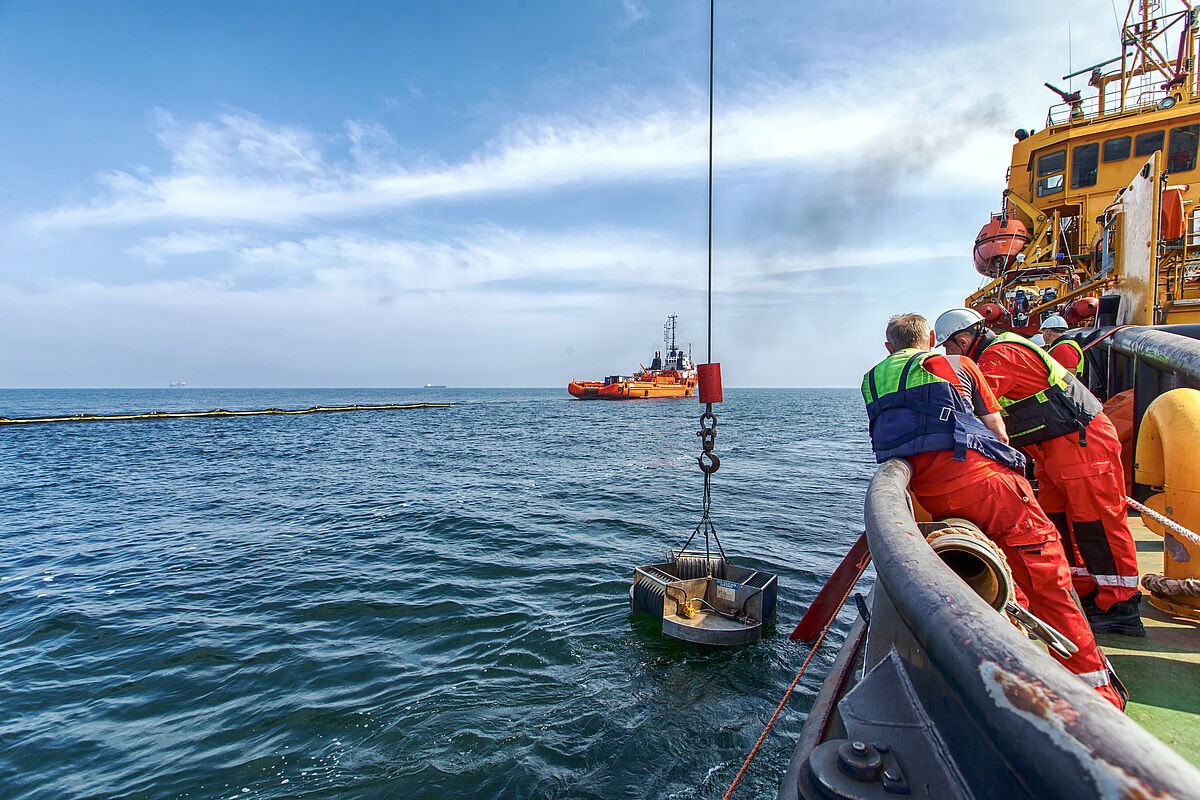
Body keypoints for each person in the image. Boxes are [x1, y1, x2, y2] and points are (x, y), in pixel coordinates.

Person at [863, 313, 1124, 709]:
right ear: (931, 339)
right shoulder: (961, 364)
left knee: (1012, 573)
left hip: (928, 492)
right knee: (1046, 573)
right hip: (986, 484)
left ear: (888, 348)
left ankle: (1012, 637)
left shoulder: (871, 378)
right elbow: (996, 430)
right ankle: (1095, 694)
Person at [935, 307, 1144, 637]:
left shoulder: (999, 356)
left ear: (963, 340)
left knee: (1098, 523)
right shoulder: (995, 352)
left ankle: (1122, 605)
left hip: (1080, 443)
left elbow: (971, 405)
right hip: (1051, 450)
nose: (947, 355)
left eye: (948, 347)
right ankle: (1088, 591)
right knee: (1064, 524)